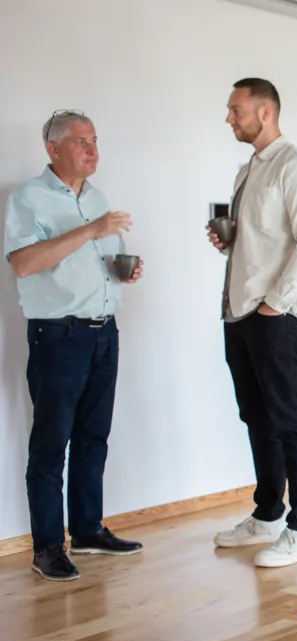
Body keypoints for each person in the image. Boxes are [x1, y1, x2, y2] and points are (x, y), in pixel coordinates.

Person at [4, 110, 144, 581]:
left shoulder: (98, 198)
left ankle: (87, 529)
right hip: (57, 337)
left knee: (93, 439)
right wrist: (90, 231)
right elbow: (23, 263)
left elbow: (97, 263)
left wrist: (125, 270)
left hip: (104, 332)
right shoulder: (28, 198)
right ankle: (47, 546)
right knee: (50, 446)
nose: (92, 149)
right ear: (53, 149)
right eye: (81, 141)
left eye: (95, 140)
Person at [206, 78, 297, 568]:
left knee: (291, 420)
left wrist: (277, 302)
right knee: (257, 417)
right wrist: (230, 243)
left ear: (265, 111)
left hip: (277, 315)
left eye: (236, 109)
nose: (229, 118)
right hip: (241, 311)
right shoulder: (248, 169)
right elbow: (265, 240)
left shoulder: (293, 164)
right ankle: (268, 513)